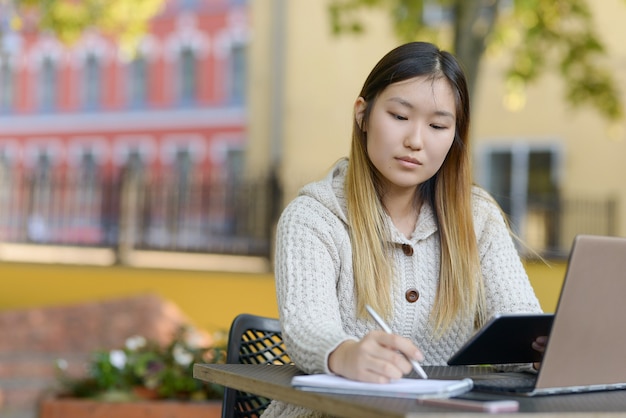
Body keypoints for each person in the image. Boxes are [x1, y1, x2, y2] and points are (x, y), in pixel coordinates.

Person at [263, 41, 543, 417]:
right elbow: (308, 331)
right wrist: (346, 354)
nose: (415, 140)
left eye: (438, 125)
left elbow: (519, 326)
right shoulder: (313, 217)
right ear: (362, 114)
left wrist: (542, 352)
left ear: (455, 135)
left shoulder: (479, 218)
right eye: (399, 116)